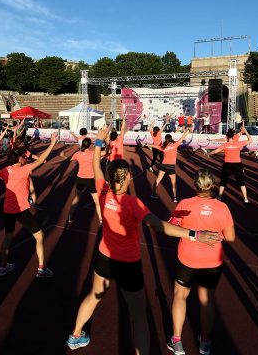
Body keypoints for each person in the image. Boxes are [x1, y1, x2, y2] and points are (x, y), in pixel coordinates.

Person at [66, 126, 222, 354]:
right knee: (139, 317)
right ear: (128, 177)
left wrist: (99, 143)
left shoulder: (103, 191)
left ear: (110, 178)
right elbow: (160, 226)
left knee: (93, 296)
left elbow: (95, 167)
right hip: (128, 263)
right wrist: (194, 234)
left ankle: (75, 335)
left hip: (104, 256)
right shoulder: (133, 204)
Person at [167, 169, 235, 355]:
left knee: (180, 295)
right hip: (212, 261)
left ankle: (177, 341)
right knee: (207, 299)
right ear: (212, 185)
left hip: (187, 258)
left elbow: (171, 226)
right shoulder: (223, 208)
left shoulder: (185, 203)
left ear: (195, 184)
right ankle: (205, 342)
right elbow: (230, 237)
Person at [0, 133, 58, 277]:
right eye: (23, 157)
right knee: (39, 235)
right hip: (20, 209)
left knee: (8, 237)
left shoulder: (6, 170)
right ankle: (41, 268)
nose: (25, 158)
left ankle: (3, 266)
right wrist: (52, 143)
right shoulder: (24, 169)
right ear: (20, 158)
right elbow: (40, 160)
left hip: (7, 209)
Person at [207, 126, 251, 203]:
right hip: (237, 164)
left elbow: (215, 151)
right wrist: (246, 132)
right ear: (233, 135)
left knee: (223, 181)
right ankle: (246, 199)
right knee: (241, 182)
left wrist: (209, 153)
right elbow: (250, 140)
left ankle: (220, 196)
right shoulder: (238, 143)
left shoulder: (225, 144)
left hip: (227, 164)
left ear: (227, 136)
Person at [64, 137, 102, 224]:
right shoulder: (93, 153)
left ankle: (69, 217)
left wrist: (63, 155)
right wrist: (102, 141)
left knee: (76, 198)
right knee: (97, 202)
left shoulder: (77, 154)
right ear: (90, 145)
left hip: (80, 179)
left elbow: (68, 159)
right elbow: (105, 152)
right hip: (91, 179)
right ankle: (101, 220)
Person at [146, 129, 190, 203]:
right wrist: (188, 131)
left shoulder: (163, 147)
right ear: (171, 138)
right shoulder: (175, 145)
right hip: (171, 167)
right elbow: (182, 137)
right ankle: (175, 198)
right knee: (173, 183)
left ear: (166, 139)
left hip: (163, 166)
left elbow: (154, 146)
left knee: (158, 179)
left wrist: (146, 144)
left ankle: (153, 193)